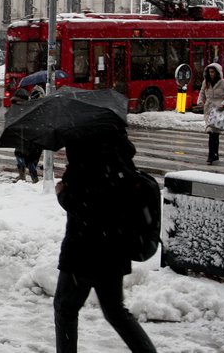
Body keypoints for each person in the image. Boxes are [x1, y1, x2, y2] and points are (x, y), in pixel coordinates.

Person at [54, 134, 158, 353]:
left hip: (83, 252)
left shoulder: (86, 164)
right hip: (114, 251)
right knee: (115, 311)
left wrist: (63, 194)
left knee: (65, 309)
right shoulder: (119, 159)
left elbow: (87, 208)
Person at [195, 63, 224, 164]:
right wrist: (199, 100)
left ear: (217, 72)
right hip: (208, 110)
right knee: (211, 132)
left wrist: (223, 103)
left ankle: (212, 155)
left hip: (219, 111)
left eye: (213, 72)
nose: (211, 74)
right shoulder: (206, 82)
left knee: (214, 133)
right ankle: (213, 155)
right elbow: (202, 92)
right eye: (209, 72)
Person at [10, 87, 41, 183]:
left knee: (25, 157)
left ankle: (30, 177)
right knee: (25, 157)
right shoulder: (28, 107)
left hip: (29, 139)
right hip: (29, 138)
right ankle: (27, 177)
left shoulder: (25, 109)